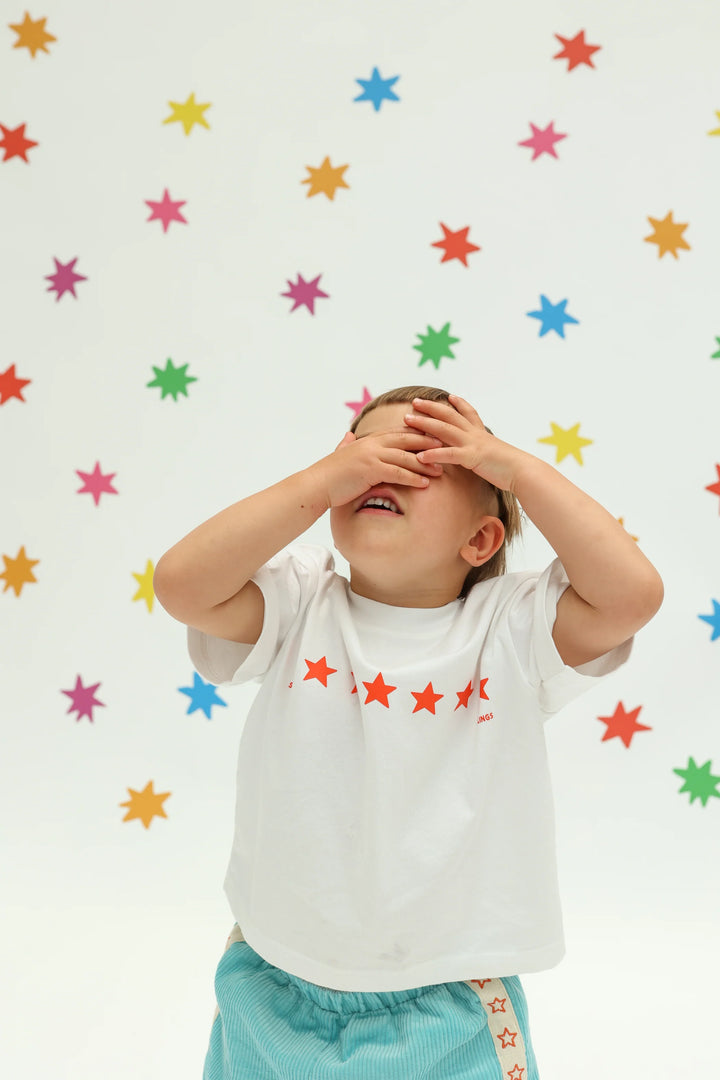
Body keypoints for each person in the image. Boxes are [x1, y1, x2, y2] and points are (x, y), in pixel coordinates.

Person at [153, 385, 663, 1080]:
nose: (384, 468)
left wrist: (518, 470)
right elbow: (182, 584)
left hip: (448, 1002)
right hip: (275, 984)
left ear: (480, 539)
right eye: (365, 452)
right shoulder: (298, 602)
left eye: (426, 456)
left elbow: (632, 594)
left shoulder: (509, 629)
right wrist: (315, 482)